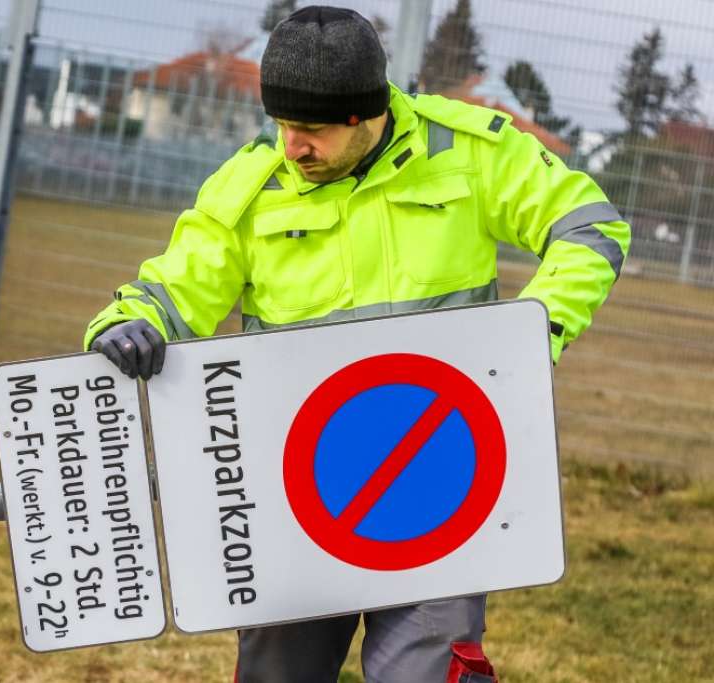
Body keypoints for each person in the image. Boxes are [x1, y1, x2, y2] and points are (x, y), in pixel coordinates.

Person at [84, 6, 630, 682]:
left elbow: (589, 227)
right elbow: (172, 288)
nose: (291, 147)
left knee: (425, 672)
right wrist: (128, 321)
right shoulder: (251, 188)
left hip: (437, 482)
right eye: (281, 125)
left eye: (309, 130)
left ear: (363, 114)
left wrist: (530, 337)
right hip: (294, 490)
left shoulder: (469, 152)